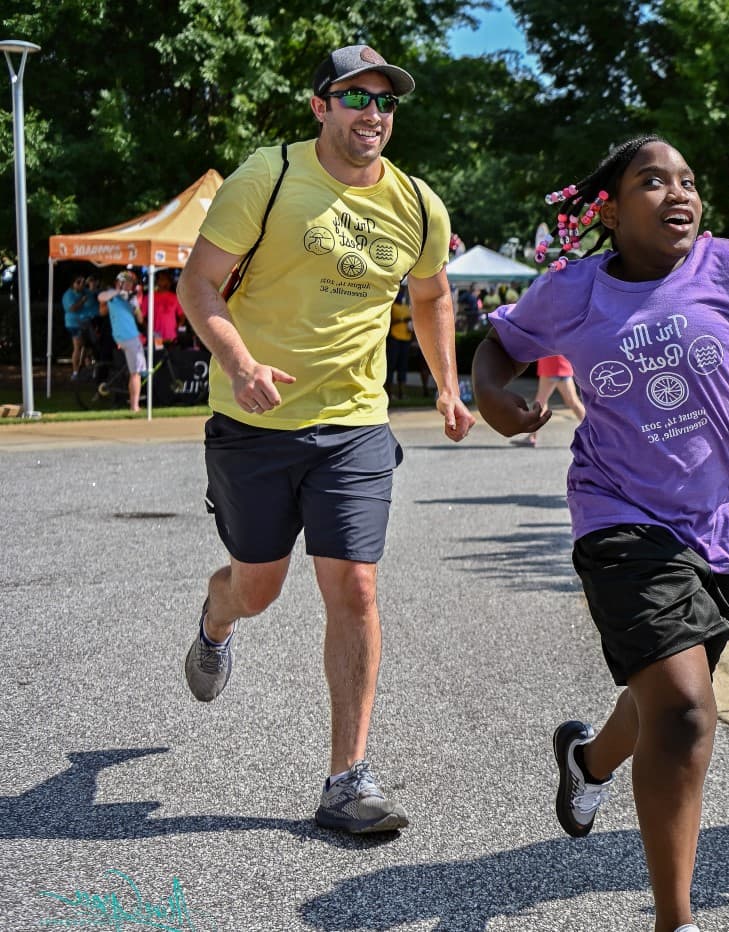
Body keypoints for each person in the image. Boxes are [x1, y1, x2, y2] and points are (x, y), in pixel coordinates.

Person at [473, 135, 729, 932]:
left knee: (664, 699)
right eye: (653, 181)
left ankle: (588, 762)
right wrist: (499, 402)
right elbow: (496, 350)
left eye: (688, 181)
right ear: (610, 208)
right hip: (616, 515)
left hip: (721, 530)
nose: (679, 194)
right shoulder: (571, 290)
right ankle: (676, 920)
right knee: (684, 709)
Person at [176, 44, 473, 835]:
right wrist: (238, 362)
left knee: (356, 588)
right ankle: (216, 616)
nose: (372, 113)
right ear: (320, 106)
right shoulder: (266, 177)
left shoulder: (417, 203)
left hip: (353, 425)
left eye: (385, 101)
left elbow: (433, 293)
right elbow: (198, 283)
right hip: (254, 422)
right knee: (259, 587)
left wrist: (448, 384)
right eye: (355, 97)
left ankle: (348, 780)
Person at [97, 271, 146, 413]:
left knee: (135, 372)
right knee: (135, 373)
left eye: (131, 283)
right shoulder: (113, 295)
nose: (129, 285)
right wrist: (118, 292)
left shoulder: (132, 298)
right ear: (120, 283)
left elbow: (140, 319)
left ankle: (134, 404)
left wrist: (135, 307)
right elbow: (101, 297)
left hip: (128, 336)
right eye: (127, 282)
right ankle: (134, 406)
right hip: (128, 337)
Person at [513, 355, 586, 447]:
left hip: (551, 366)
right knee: (573, 402)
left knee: (540, 403)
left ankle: (531, 437)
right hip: (563, 365)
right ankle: (594, 432)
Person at [61, 274, 100, 376]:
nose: (81, 284)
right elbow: (72, 308)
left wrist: (92, 284)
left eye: (83, 282)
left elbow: (96, 293)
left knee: (89, 346)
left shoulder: (86, 292)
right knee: (78, 346)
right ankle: (75, 371)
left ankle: (86, 367)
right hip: (74, 323)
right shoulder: (68, 295)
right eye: (78, 282)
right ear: (73, 284)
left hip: (87, 322)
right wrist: (82, 301)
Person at [386, 283, 414, 400]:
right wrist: (402, 320)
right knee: (391, 366)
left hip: (406, 339)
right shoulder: (391, 307)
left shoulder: (406, 307)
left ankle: (401, 393)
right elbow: (388, 323)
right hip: (394, 338)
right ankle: (389, 392)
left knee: (403, 367)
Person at [150, 270, 182, 346]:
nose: (165, 281)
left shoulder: (175, 297)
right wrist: (149, 329)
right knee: (158, 355)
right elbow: (142, 317)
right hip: (156, 335)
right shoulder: (150, 297)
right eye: (162, 279)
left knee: (172, 356)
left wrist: (179, 325)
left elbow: (181, 314)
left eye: (166, 279)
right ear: (157, 282)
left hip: (172, 336)